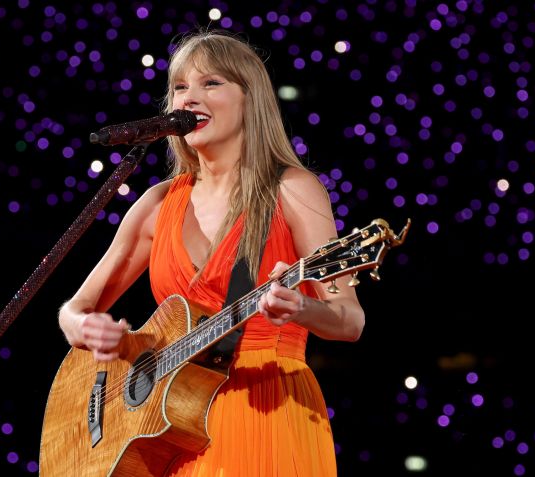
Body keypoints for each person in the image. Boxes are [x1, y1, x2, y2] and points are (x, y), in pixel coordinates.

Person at [57, 29, 365, 476]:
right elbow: (74, 310)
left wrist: (301, 308)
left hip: (267, 411)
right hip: (167, 430)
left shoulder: (294, 190)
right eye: (180, 87)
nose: (190, 98)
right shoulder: (157, 204)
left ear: (250, 99)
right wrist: (85, 326)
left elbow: (350, 320)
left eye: (212, 83)